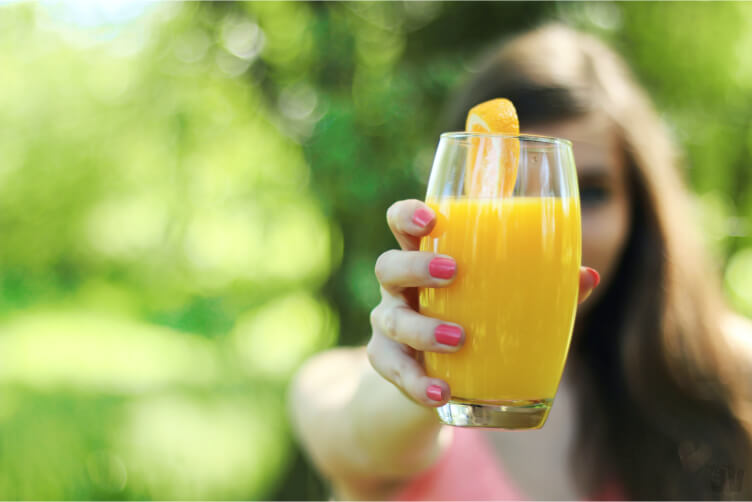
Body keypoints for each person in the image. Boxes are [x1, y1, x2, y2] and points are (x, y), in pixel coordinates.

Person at [289, 23, 752, 500]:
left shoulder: (732, 374)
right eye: (505, 187)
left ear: (638, 211)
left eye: (588, 192)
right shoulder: (334, 383)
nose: (546, 224)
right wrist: (421, 380)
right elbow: (360, 442)